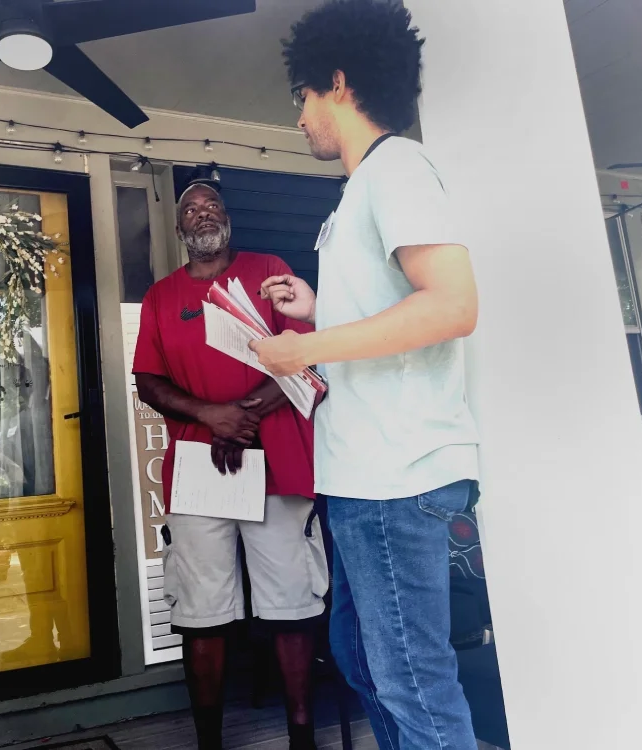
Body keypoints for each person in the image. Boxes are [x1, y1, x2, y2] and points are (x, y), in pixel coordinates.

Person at [251, 2, 481, 749]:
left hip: (396, 475)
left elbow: (451, 305)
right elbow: (393, 311)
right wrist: (318, 313)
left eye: (302, 97)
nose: (299, 119)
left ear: (338, 83)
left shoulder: (400, 167)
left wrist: (306, 350)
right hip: (360, 478)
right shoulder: (362, 191)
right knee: (362, 661)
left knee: (411, 682)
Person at [132, 178, 327, 750]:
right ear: (179, 228)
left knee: (291, 604)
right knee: (202, 612)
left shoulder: (267, 268)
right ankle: (210, 743)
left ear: (227, 219)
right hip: (201, 468)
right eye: (190, 208)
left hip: (277, 459)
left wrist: (238, 416)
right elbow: (148, 381)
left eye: (211, 205)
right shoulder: (161, 297)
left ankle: (301, 737)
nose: (201, 214)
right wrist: (210, 416)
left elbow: (305, 349)